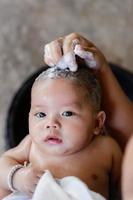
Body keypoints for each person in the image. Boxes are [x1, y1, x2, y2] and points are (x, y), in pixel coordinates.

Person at [0, 65, 122, 199]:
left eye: (67, 113)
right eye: (41, 114)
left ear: (97, 123)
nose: (51, 124)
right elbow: (4, 162)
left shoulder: (106, 149)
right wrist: (19, 177)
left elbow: (124, 186)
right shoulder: (31, 144)